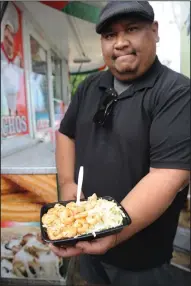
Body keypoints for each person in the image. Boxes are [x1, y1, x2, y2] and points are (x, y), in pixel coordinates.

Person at [51, 1, 190, 285]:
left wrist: (112, 232)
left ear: (155, 31)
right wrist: (67, 185)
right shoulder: (90, 86)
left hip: (142, 259)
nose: (120, 43)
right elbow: (66, 133)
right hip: (88, 245)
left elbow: (167, 176)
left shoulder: (176, 93)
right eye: (110, 35)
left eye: (132, 29)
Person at [1, 3, 23, 116]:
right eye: (5, 39)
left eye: (10, 41)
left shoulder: (17, 57)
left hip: (11, 92)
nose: (8, 44)